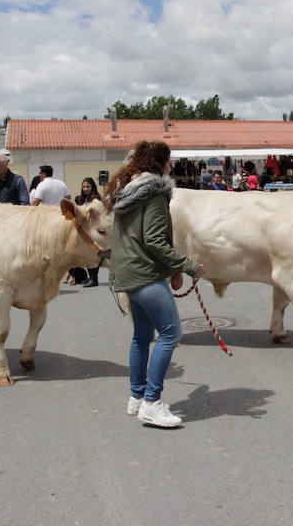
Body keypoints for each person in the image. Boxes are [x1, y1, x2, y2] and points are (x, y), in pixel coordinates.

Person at [105, 141, 204, 428]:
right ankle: (151, 402)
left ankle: (137, 398)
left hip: (126, 274)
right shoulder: (156, 194)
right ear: (159, 164)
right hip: (145, 274)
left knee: (141, 337)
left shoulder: (125, 191)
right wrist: (187, 265)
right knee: (171, 334)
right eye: (169, 161)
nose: (171, 166)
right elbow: (155, 241)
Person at [73, 177, 102, 287]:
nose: (85, 189)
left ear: (92, 187)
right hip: (85, 231)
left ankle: (94, 279)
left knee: (93, 255)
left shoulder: (95, 199)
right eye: (84, 187)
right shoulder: (83, 199)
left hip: (93, 230)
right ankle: (91, 277)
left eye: (88, 187)